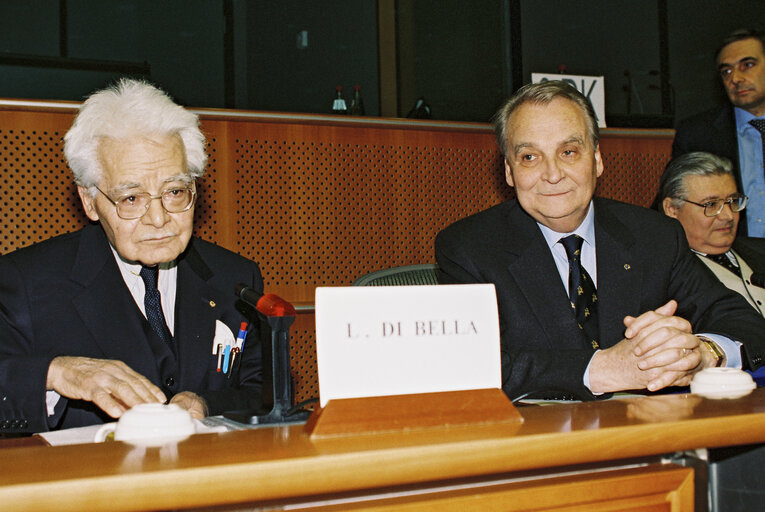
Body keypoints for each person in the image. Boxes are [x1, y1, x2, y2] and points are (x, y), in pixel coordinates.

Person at [436, 80, 765, 401]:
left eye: (568, 152)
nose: (552, 174)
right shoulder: (469, 248)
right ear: (509, 171)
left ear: (596, 159)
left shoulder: (655, 235)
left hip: (648, 433)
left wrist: (705, 354)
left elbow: (745, 323)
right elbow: (468, 366)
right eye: (530, 158)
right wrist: (599, 369)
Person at [0, 79, 264, 432]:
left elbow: (268, 393)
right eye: (131, 199)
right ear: (89, 201)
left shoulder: (235, 278)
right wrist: (57, 373)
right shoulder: (26, 282)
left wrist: (206, 404)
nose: (159, 219)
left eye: (174, 191)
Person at [672, 28, 765, 237]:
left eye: (747, 65)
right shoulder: (697, 134)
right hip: (731, 255)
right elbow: (672, 204)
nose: (736, 78)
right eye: (727, 71)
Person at [658, 152, 765, 317]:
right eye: (711, 205)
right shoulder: (662, 276)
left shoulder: (759, 250)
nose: (728, 216)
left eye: (732, 202)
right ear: (672, 209)